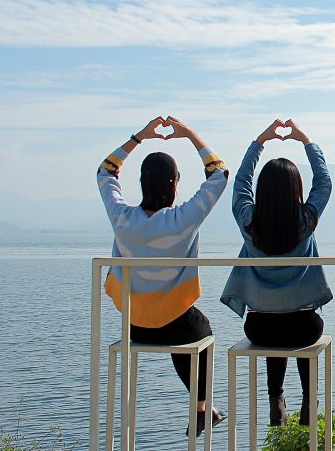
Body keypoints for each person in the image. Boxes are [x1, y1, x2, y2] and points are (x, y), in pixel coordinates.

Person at [97, 115, 229, 437]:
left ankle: (204, 410)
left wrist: (139, 137)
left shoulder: (122, 219)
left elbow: (105, 172)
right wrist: (190, 136)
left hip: (134, 325)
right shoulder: (183, 219)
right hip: (174, 327)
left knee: (183, 325)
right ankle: (201, 408)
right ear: (174, 183)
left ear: (142, 182)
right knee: (200, 330)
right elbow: (220, 175)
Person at [221, 119, 333, 426]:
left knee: (273, 327)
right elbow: (324, 182)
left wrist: (260, 141)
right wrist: (305, 140)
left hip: (259, 328)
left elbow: (241, 182)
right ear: (296, 188)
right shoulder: (306, 219)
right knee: (298, 324)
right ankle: (310, 403)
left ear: (263, 190)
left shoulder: (248, 221)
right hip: (304, 327)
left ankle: (276, 400)